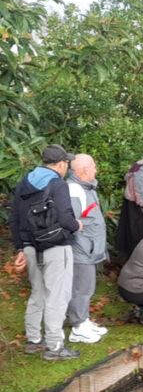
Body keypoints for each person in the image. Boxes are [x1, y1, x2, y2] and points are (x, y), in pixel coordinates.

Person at [9, 144, 83, 360]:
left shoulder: (25, 183)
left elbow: (14, 218)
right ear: (61, 164)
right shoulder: (58, 185)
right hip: (56, 246)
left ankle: (33, 340)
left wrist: (21, 247)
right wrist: (76, 225)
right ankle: (55, 346)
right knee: (57, 296)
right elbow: (65, 218)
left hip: (31, 247)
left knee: (38, 293)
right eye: (66, 163)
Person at [66, 154, 109, 344]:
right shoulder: (74, 189)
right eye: (93, 167)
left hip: (88, 247)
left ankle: (83, 320)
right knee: (81, 288)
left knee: (87, 287)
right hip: (81, 247)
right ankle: (78, 326)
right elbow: (73, 221)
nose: (96, 170)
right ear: (83, 171)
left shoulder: (87, 187)